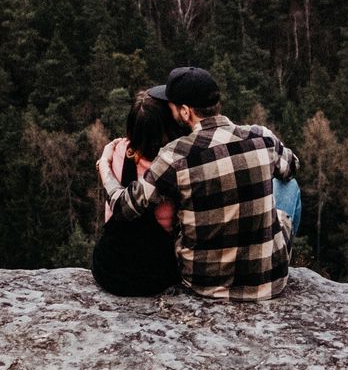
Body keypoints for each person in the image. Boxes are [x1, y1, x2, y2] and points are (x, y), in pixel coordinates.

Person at [97, 66, 301, 301]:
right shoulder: (261, 135)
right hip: (270, 282)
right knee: (289, 187)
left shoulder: (174, 156)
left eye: (172, 106)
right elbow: (292, 167)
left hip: (204, 283)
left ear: (185, 112)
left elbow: (124, 207)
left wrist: (104, 165)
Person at [92, 91, 179, 296]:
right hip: (157, 274)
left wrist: (104, 162)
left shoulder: (118, 151)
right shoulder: (175, 165)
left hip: (110, 271)